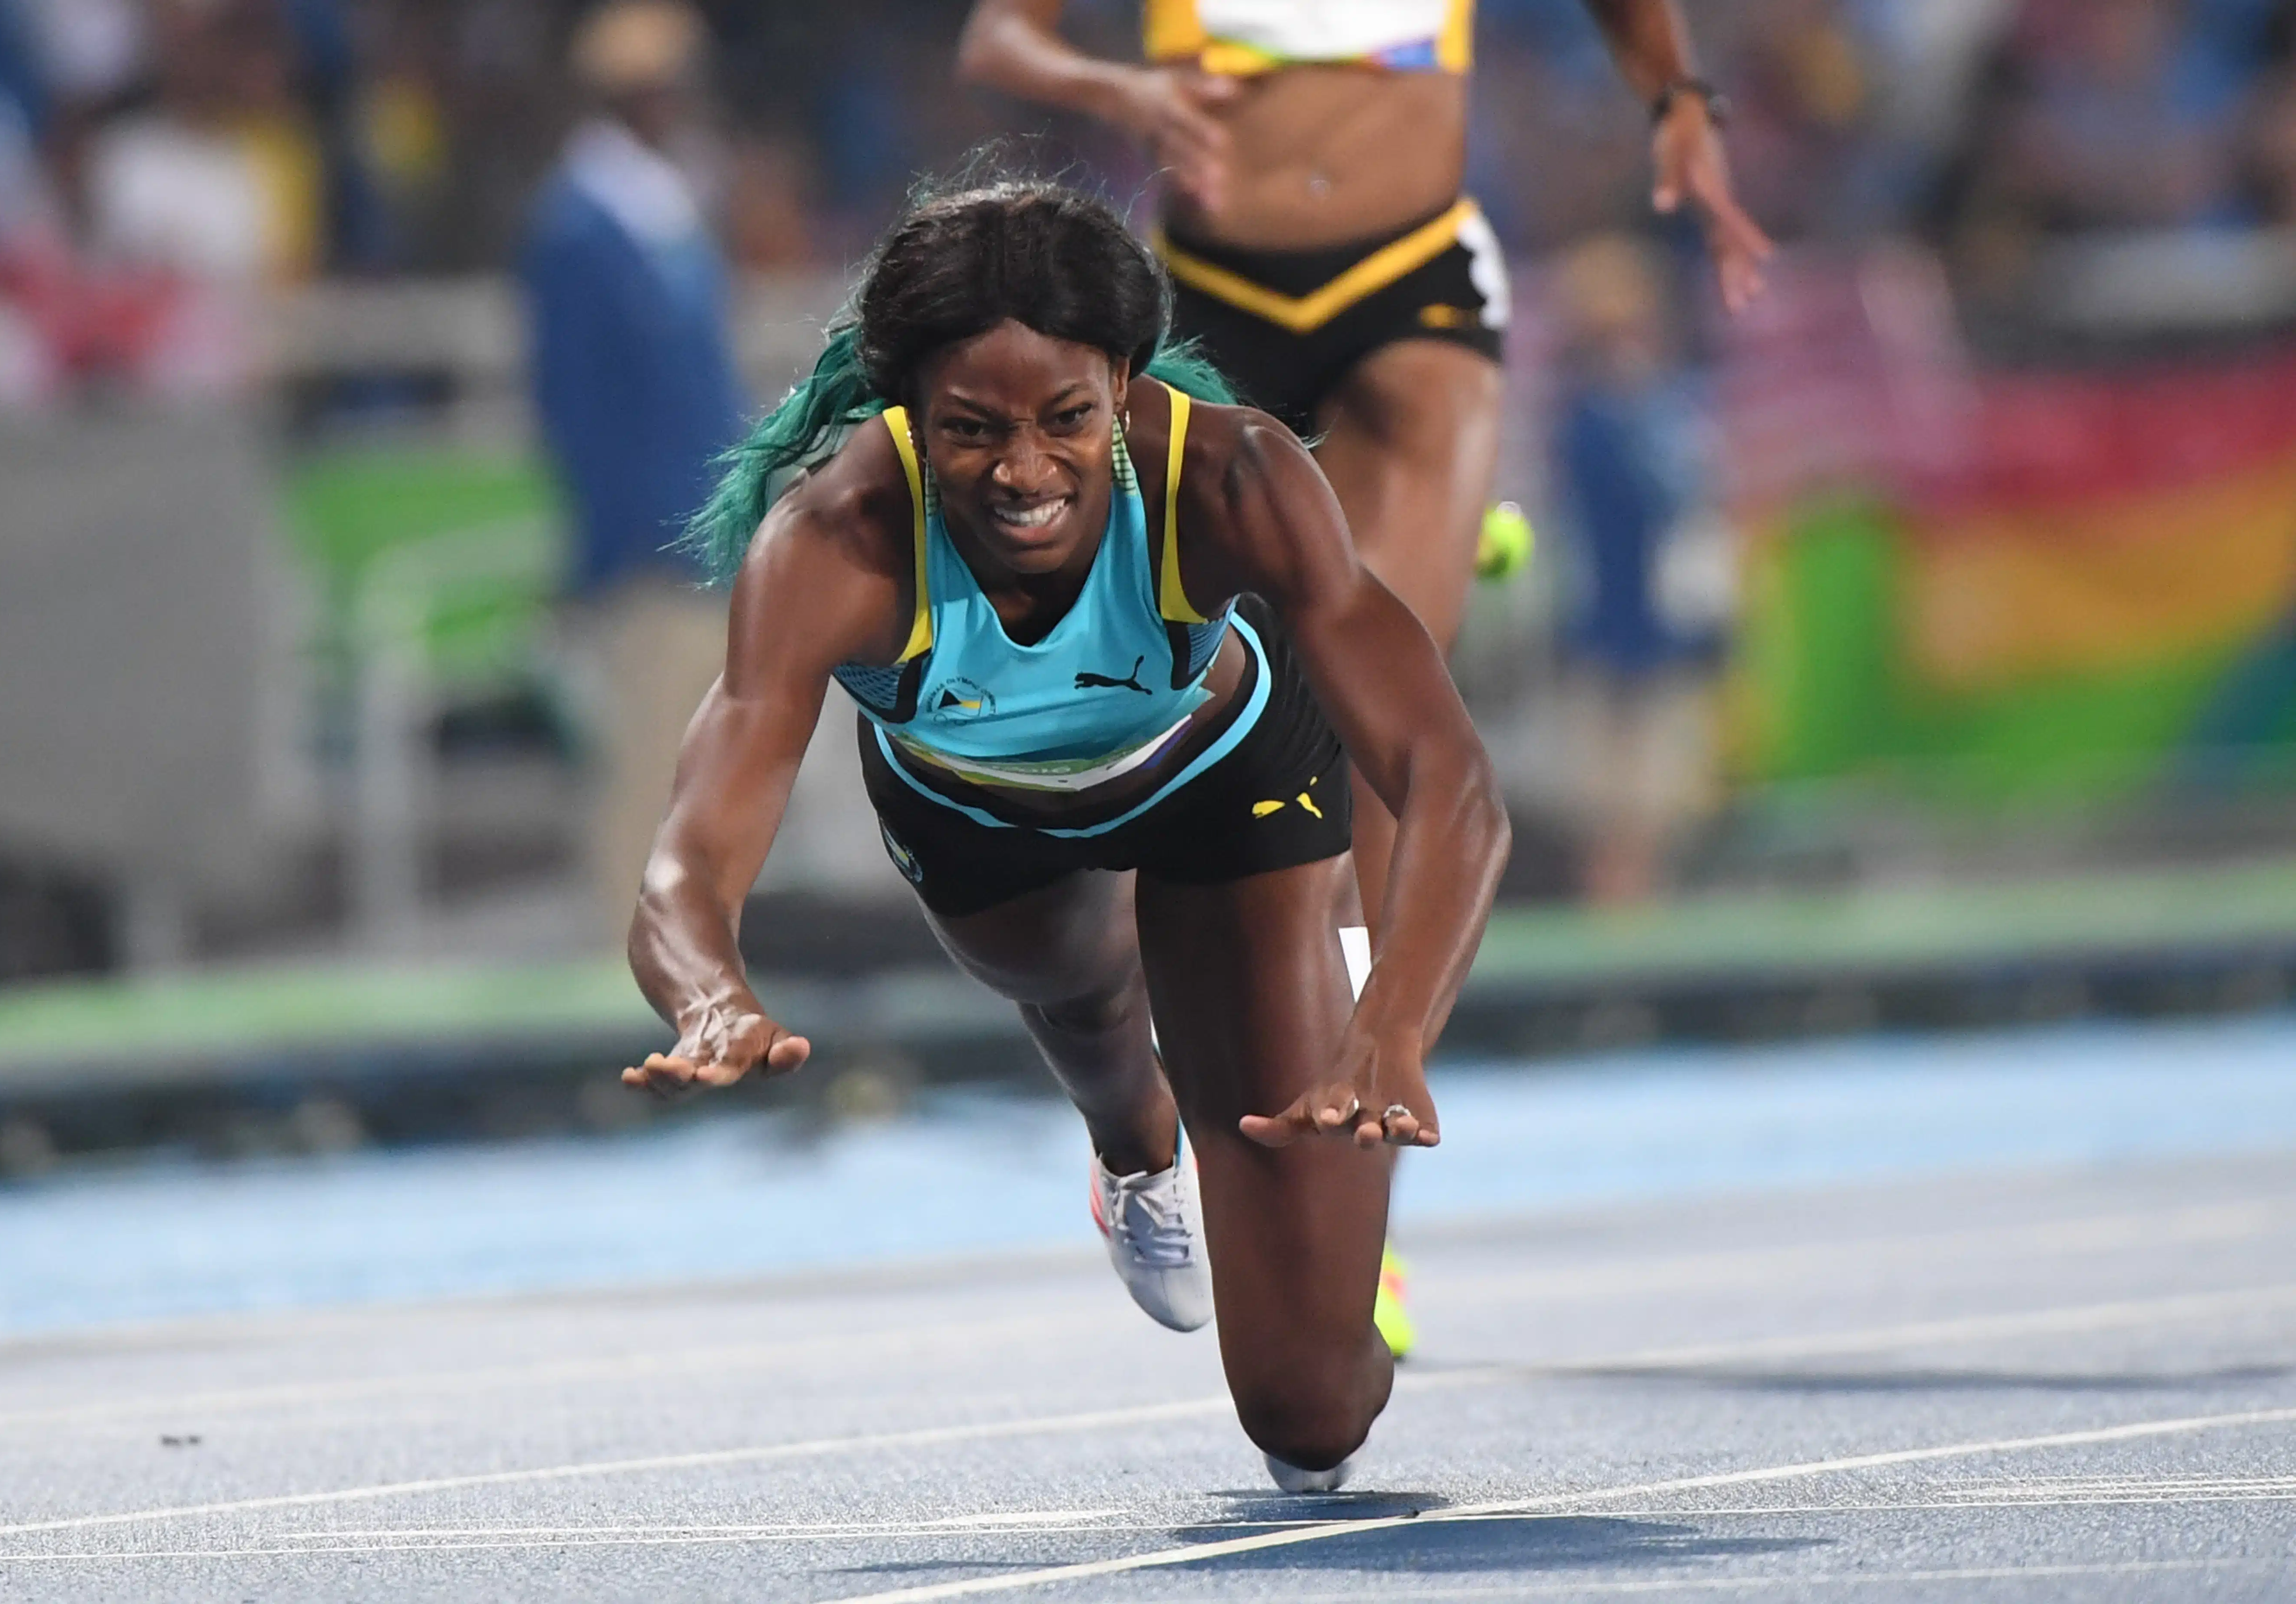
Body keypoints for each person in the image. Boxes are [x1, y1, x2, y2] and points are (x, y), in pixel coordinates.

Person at [621, 180, 1508, 1490]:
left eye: (1067, 421)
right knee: (1087, 1004)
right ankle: (1133, 1143)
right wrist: (708, 997)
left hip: (1224, 778)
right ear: (908, 415)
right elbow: (686, 862)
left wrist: (1396, 1028)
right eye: (972, 432)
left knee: (1311, 1415)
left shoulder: (1234, 475)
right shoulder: (834, 538)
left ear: (1126, 386)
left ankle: (1314, 1158)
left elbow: (1449, 779)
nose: (1024, 473)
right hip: (975, 808)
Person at [956, 0, 1770, 1350]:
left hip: (1415, 291)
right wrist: (1119, 89)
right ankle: (1145, 1125)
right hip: (1209, 302)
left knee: (1375, 737)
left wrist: (1680, 94)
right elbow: (999, 43)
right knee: (1181, 747)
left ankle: (1357, 1204)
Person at [519, 0, 746, 938]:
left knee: (700, 762)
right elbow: (575, 406)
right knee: (646, 765)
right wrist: (617, 544)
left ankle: (688, 945)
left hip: (696, 524)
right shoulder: (580, 225)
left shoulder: (661, 209)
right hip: (649, 538)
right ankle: (630, 957)